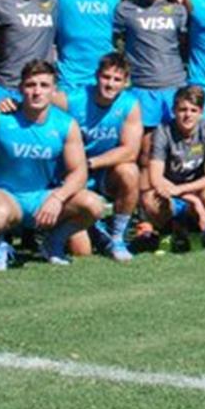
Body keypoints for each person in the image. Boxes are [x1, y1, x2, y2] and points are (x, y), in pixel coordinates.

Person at [0, 60, 102, 270]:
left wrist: (57, 198)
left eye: (44, 85)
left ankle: (53, 242)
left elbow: (79, 173)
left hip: (44, 197)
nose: (37, 92)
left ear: (54, 90)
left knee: (93, 204)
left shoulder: (66, 124)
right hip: (7, 196)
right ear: (20, 89)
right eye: (30, 85)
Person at [58, 53, 143, 261]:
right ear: (96, 76)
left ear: (125, 83)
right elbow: (35, 105)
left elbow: (130, 151)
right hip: (70, 174)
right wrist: (11, 104)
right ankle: (90, 226)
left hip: (101, 171)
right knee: (82, 252)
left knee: (130, 171)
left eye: (117, 79)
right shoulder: (72, 99)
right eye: (106, 77)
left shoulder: (130, 104)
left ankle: (117, 237)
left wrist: (90, 163)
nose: (110, 84)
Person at [114, 0, 187, 151]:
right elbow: (112, 43)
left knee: (177, 150)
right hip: (142, 88)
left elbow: (185, 43)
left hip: (175, 86)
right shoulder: (125, 9)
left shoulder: (178, 9)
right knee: (147, 151)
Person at [142, 86, 205, 251]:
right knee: (150, 199)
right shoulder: (162, 132)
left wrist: (183, 191)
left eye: (193, 110)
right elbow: (155, 178)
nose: (188, 115)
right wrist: (192, 200)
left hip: (194, 189)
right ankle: (166, 233)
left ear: (201, 112)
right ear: (174, 110)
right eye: (182, 110)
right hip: (167, 189)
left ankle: (194, 233)